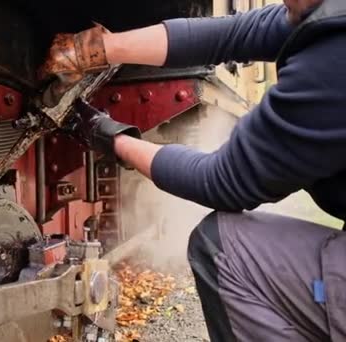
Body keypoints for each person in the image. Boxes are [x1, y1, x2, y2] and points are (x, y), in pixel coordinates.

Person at [39, 0, 346, 341]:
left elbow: (222, 181)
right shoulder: (325, 11)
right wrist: (96, 49)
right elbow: (233, 33)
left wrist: (108, 135)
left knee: (221, 246)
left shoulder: (336, 56)